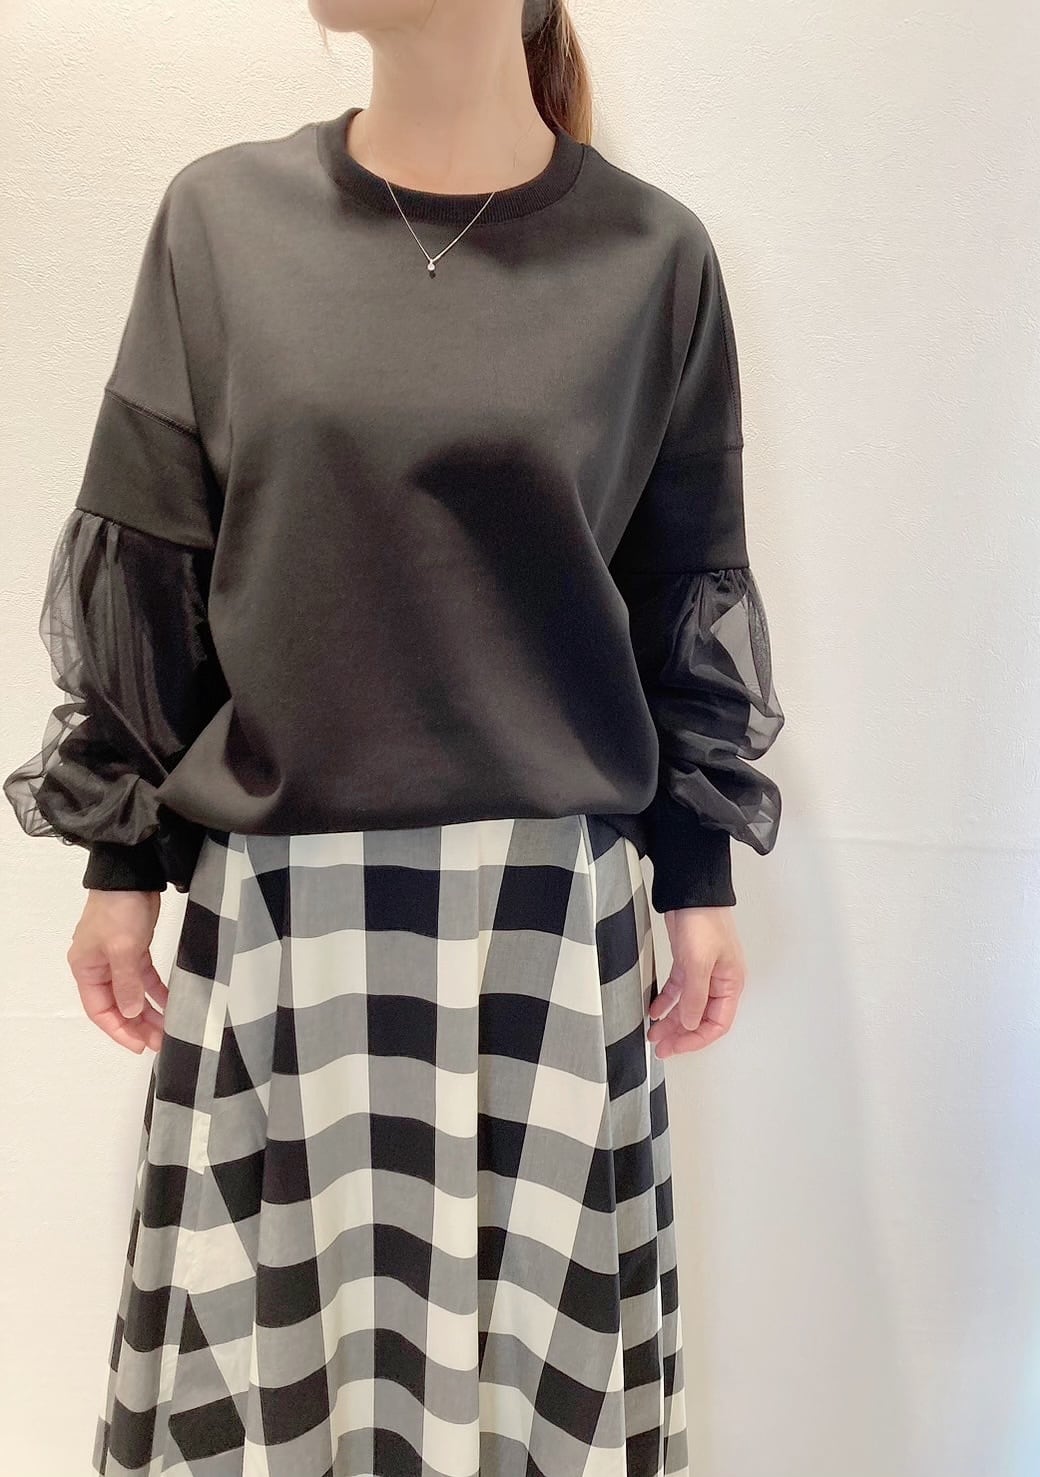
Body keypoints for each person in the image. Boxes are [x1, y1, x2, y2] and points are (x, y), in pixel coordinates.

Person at [4, 2, 785, 1473]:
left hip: (541, 924)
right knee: (280, 1381)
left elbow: (683, 580)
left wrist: (700, 878)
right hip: (281, 913)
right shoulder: (222, 221)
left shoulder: (652, 257)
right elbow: (156, 556)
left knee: (520, 1388)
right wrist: (119, 858)